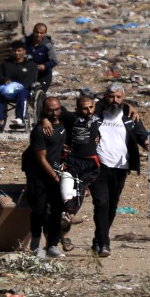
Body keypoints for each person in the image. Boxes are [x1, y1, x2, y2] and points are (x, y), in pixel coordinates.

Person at [88, 82, 150, 257]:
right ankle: (105, 243)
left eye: (118, 97)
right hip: (98, 166)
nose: (114, 100)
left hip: (121, 167)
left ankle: (98, 240)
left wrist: (147, 143)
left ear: (123, 98)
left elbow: (141, 135)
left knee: (112, 206)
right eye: (111, 96)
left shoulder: (129, 116)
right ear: (105, 96)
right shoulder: (95, 112)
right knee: (101, 204)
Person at [21, 96, 68, 258]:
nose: (55, 113)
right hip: (39, 175)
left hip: (57, 173)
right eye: (50, 110)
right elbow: (41, 159)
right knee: (39, 211)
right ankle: (35, 238)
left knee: (56, 212)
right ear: (43, 111)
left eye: (57, 109)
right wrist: (55, 178)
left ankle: (52, 245)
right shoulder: (40, 131)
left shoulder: (64, 120)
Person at [58, 94, 102, 252]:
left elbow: (117, 108)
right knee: (66, 190)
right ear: (77, 109)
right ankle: (61, 235)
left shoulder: (98, 119)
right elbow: (53, 112)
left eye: (91, 107)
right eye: (85, 108)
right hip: (71, 161)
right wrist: (45, 120)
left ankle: (66, 224)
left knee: (77, 196)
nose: (89, 111)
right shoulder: (71, 118)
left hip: (90, 163)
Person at [0, 39, 38, 132]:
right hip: (8, 90)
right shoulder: (6, 63)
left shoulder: (31, 65)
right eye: (14, 51)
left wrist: (18, 87)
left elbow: (31, 80)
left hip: (24, 90)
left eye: (19, 51)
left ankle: (19, 119)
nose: (16, 53)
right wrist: (4, 80)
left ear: (24, 51)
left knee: (21, 93)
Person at [25, 23, 58, 91]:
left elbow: (54, 61)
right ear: (33, 31)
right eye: (37, 32)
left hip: (43, 74)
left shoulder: (48, 45)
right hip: (27, 72)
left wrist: (44, 66)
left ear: (45, 33)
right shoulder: (25, 42)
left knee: (40, 93)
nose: (38, 35)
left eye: (41, 33)